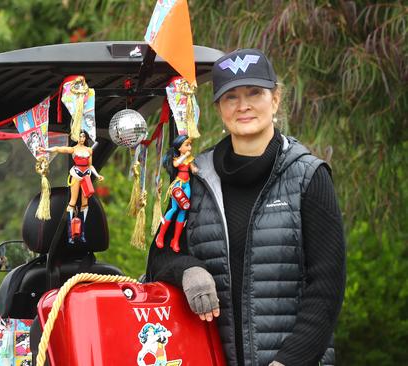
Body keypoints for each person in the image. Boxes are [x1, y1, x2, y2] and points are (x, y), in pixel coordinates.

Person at [146, 48, 346, 366]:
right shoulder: (193, 179)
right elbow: (159, 258)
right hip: (209, 358)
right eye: (231, 97)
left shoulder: (308, 176)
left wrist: (288, 362)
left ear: (275, 99)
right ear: (218, 108)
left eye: (255, 93)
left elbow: (327, 287)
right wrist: (187, 270)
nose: (244, 106)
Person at [39, 131, 104, 244]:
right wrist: (46, 150)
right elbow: (58, 149)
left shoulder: (89, 150)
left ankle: (82, 233)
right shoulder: (73, 149)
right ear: (76, 137)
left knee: (85, 203)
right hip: (76, 175)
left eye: (83, 136)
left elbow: (90, 165)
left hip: (86, 176)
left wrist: (97, 175)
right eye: (80, 136)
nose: (82, 138)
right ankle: (70, 233)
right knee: (72, 202)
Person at [155, 135, 198, 252]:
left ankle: (175, 240)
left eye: (190, 144)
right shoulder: (178, 158)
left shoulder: (189, 158)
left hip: (186, 185)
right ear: (180, 148)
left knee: (184, 208)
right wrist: (184, 156)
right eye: (187, 145)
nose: (189, 147)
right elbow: (176, 164)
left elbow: (192, 167)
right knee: (174, 208)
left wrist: (194, 169)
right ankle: (161, 235)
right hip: (178, 185)